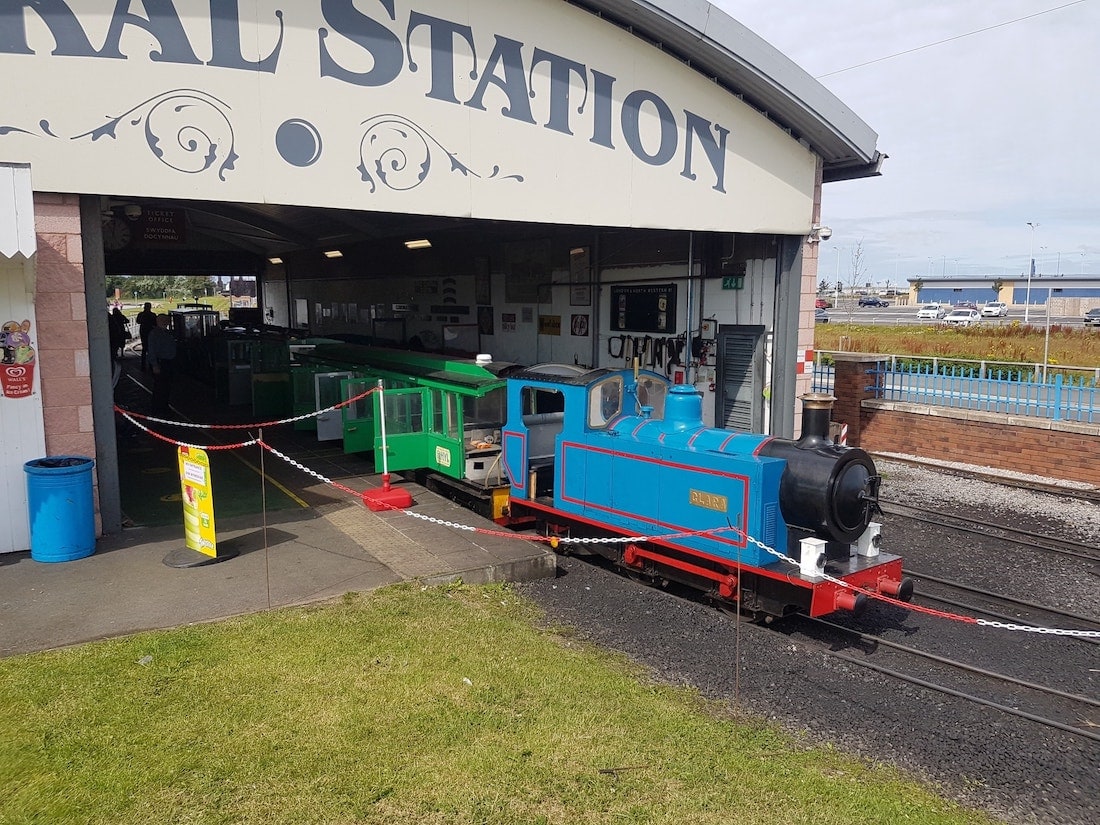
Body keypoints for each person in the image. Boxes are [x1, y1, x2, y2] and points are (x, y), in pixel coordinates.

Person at [146, 314, 177, 415]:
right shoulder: (154, 334)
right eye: (163, 320)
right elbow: (151, 350)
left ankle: (164, 406)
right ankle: (157, 409)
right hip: (160, 362)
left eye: (166, 320)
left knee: (167, 386)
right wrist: (154, 364)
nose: (165, 322)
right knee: (159, 387)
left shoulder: (168, 333)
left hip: (168, 362)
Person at [135, 302, 157, 369]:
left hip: (143, 331)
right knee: (151, 348)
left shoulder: (141, 314)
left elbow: (138, 321)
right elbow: (155, 323)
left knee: (144, 348)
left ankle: (143, 365)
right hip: (150, 331)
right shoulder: (153, 315)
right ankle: (151, 364)